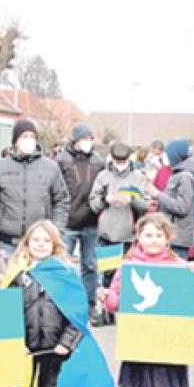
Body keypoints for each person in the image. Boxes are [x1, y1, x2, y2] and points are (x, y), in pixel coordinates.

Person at [97, 213, 191, 387]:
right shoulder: (127, 266)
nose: (153, 240)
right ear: (138, 237)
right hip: (138, 339)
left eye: (159, 235)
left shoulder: (178, 266)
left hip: (167, 340)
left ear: (168, 237)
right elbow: (116, 301)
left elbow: (191, 297)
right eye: (148, 235)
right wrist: (107, 297)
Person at [0, 221, 84, 387]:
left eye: (46, 240)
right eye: (35, 239)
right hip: (23, 346)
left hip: (53, 345)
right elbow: (5, 310)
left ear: (55, 245)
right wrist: (15, 342)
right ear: (27, 243)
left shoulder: (65, 274)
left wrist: (66, 343)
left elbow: (76, 314)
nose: (40, 244)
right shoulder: (17, 273)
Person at [0, 120, 70, 256]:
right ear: (16, 141)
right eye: (24, 136)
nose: (29, 140)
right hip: (7, 243)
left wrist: (56, 231)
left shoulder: (51, 168)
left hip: (39, 243)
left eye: (32, 137)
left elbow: (61, 201)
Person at [89, 142, 150, 324]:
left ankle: (129, 311)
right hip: (107, 233)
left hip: (129, 233)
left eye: (123, 160)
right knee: (107, 274)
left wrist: (132, 200)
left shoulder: (138, 177)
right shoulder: (103, 176)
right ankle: (107, 312)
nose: (120, 163)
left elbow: (145, 204)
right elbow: (93, 203)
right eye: (117, 160)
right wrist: (105, 200)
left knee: (128, 275)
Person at [56, 124, 105, 322]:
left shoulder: (98, 161)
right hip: (68, 222)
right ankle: (62, 305)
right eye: (84, 138)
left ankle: (90, 304)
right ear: (75, 141)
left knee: (90, 266)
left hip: (91, 222)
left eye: (90, 138)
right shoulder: (62, 160)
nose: (87, 142)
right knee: (63, 265)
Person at [146, 140, 194, 259]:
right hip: (172, 235)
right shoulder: (179, 174)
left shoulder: (185, 177)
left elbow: (182, 207)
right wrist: (158, 204)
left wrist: (157, 194)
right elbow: (172, 201)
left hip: (177, 239)